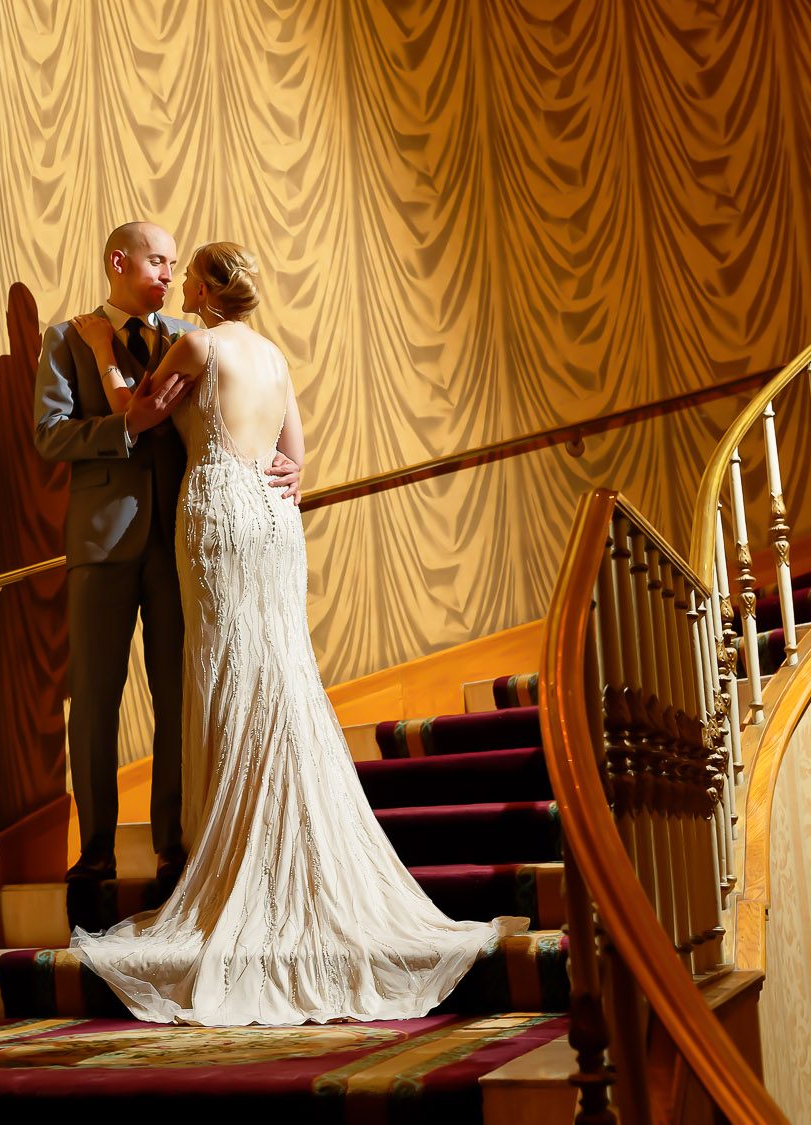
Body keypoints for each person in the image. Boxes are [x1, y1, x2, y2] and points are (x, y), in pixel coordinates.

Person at [64, 242, 516, 1025]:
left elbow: (139, 414)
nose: (177, 281)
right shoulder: (272, 355)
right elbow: (294, 461)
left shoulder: (196, 343)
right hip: (274, 521)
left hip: (218, 513)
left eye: (186, 271)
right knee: (278, 672)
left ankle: (240, 855)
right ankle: (276, 841)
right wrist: (275, 477)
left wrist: (105, 353)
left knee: (231, 674)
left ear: (203, 288)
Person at [33, 222, 300, 894]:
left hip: (186, 542)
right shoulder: (68, 338)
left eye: (175, 264)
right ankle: (94, 854)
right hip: (103, 540)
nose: (165, 273)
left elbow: (232, 420)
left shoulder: (194, 337)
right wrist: (122, 428)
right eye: (156, 260)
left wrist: (288, 466)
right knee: (94, 699)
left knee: (183, 690)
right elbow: (49, 435)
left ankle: (174, 847)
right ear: (117, 261)